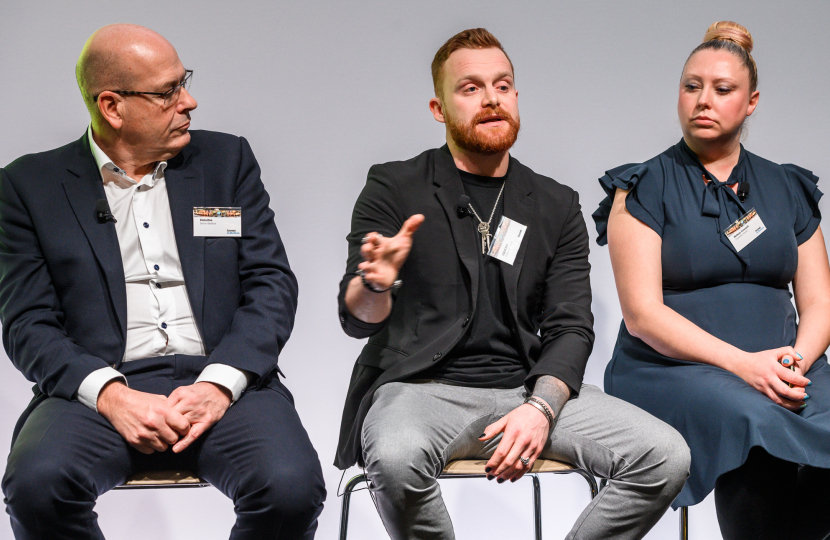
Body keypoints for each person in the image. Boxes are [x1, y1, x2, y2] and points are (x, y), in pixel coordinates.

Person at [335, 28, 690, 540]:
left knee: (665, 456)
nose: (491, 100)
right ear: (439, 108)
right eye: (471, 88)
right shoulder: (394, 185)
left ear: (516, 97)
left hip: (525, 386)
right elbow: (355, 318)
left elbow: (571, 326)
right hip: (420, 391)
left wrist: (541, 408)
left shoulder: (554, 202)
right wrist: (375, 284)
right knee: (394, 459)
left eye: (502, 86)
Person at [0, 24, 325, 540]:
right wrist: (110, 394)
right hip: (100, 389)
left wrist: (219, 384)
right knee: (38, 486)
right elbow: (27, 324)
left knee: (290, 487)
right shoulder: (27, 186)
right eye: (168, 91)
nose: (189, 101)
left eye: (184, 82)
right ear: (112, 106)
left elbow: (271, 284)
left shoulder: (226, 162)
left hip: (224, 383)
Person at [593, 21, 830, 540]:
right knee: (754, 420)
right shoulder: (642, 187)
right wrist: (746, 366)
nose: (703, 100)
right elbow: (643, 315)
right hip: (671, 369)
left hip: (785, 365)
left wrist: (797, 360)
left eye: (722, 90)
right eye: (691, 86)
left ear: (751, 102)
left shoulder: (787, 186)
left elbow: (819, 303)